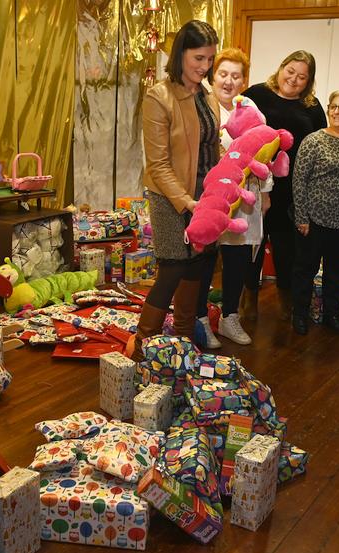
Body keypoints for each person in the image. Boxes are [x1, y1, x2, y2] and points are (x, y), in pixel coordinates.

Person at [128, 20, 220, 362]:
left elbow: (213, 148)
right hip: (170, 198)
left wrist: (219, 191)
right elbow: (158, 165)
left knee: (198, 265)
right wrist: (186, 203)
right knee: (173, 268)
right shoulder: (159, 97)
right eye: (198, 58)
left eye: (209, 59)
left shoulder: (207, 95)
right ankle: (142, 348)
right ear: (180, 54)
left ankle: (183, 347)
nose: (204, 66)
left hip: (205, 197)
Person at [241, 51, 327, 321]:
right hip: (254, 184)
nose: (294, 79)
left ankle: (286, 303)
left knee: (286, 249)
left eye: (302, 76)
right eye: (290, 71)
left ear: (309, 81)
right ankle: (248, 301)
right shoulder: (256, 94)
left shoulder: (312, 107)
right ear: (281, 68)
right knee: (252, 245)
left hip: (292, 190)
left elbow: (320, 146)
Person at [195, 47, 266, 347]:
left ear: (243, 80)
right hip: (210, 195)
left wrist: (266, 190)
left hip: (245, 195)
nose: (228, 81)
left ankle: (230, 317)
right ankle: (200, 319)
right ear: (214, 75)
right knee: (205, 258)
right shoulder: (201, 105)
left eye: (235, 76)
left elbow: (265, 145)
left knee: (237, 259)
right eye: (223, 74)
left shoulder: (250, 107)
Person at [291, 90, 339, 335]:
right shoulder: (314, 140)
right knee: (305, 270)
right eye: (333, 106)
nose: (335, 111)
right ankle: (299, 315)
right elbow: (299, 180)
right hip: (315, 219)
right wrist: (302, 217)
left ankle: (331, 315)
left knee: (336, 272)